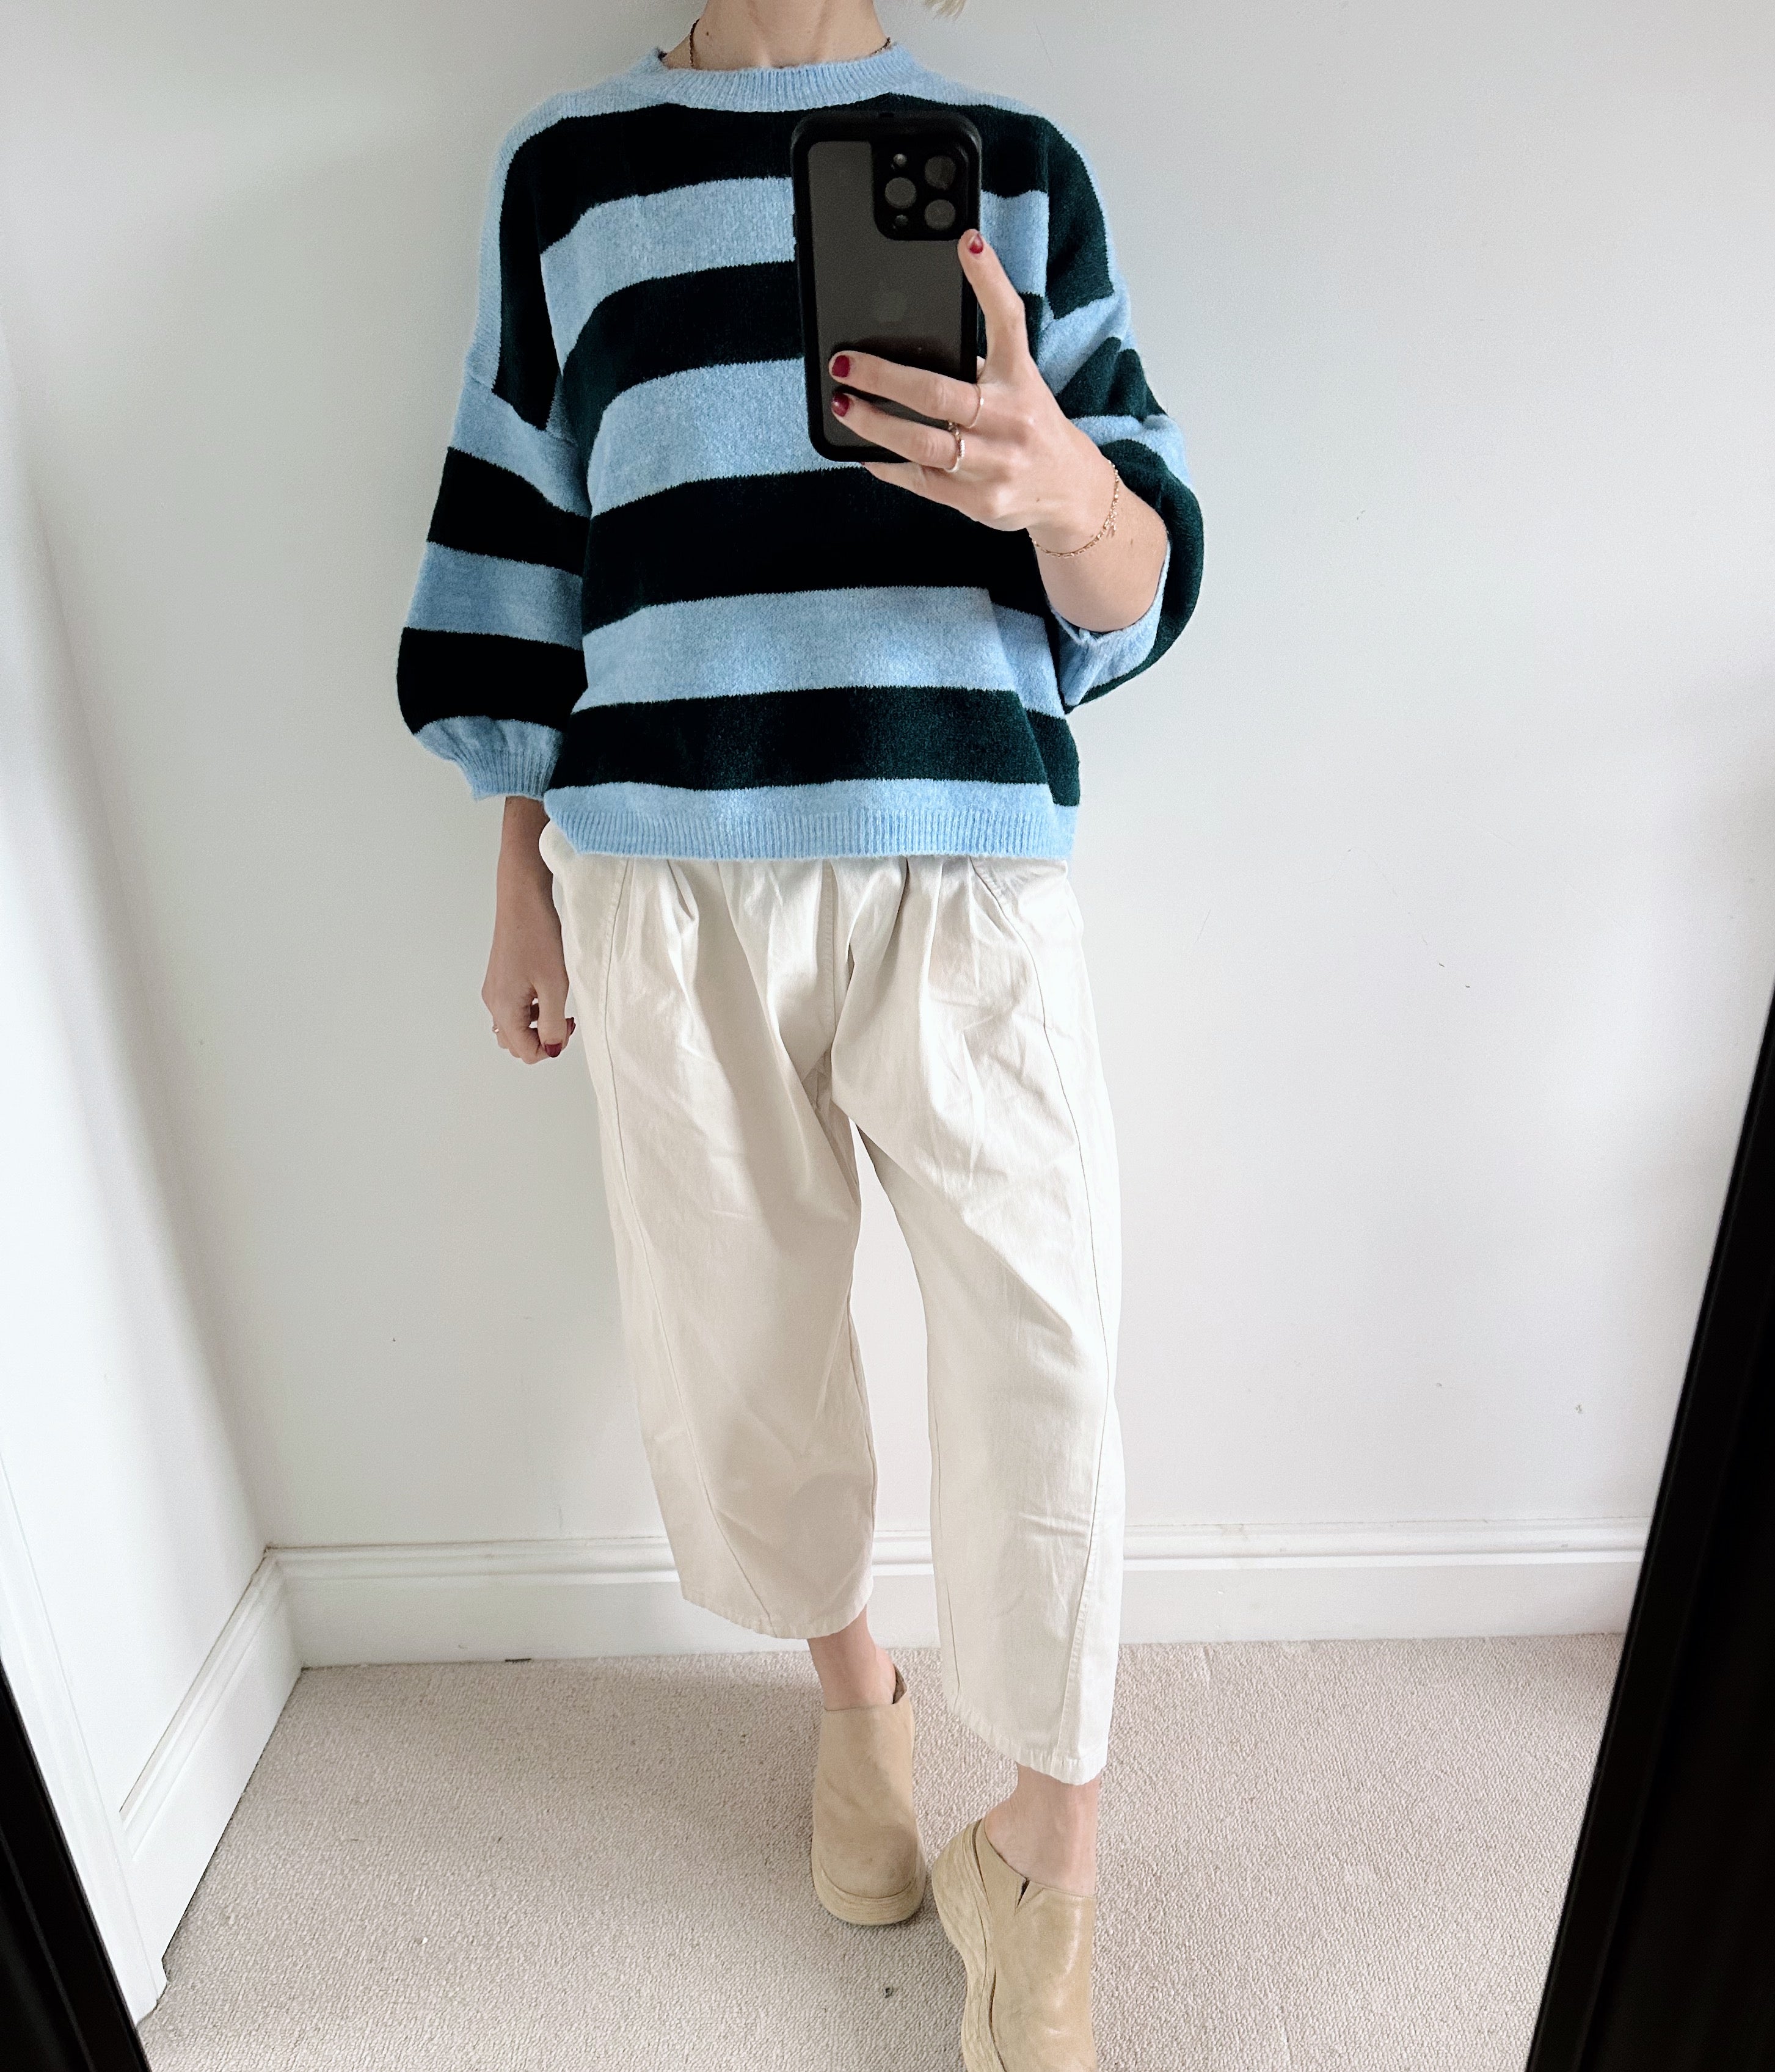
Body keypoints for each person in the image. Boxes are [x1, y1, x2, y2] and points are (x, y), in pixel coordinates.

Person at [397, 3, 1203, 2063]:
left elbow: (1134, 579)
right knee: (740, 1340)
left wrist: (1057, 484)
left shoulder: (1013, 165)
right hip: (662, 872)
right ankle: (858, 1700)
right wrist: (515, 875)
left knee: (1045, 1348)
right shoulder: (569, 178)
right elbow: (524, 551)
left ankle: (1046, 1847)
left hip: (965, 863)